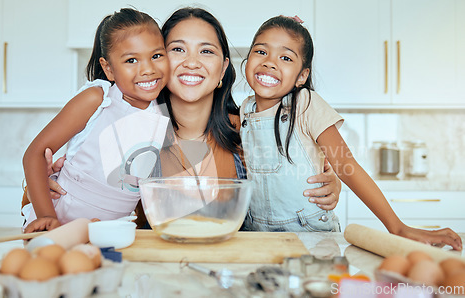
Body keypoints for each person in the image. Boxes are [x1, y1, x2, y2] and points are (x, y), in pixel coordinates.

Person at [24, 8, 343, 232]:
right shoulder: (129, 133)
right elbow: (58, 198)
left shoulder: (248, 130)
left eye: (206, 52)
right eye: (177, 49)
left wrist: (330, 183)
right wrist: (44, 188)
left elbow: (302, 173)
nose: (191, 62)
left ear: (222, 70)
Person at [239, 15, 462, 250]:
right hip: (258, 238)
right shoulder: (244, 110)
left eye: (285, 57)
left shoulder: (305, 103)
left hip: (311, 238)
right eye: (261, 52)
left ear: (302, 76)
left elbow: (346, 164)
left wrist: (397, 227)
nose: (269, 62)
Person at [22, 8, 171, 232]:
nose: (148, 69)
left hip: (109, 232)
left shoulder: (162, 115)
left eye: (156, 56)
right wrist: (46, 216)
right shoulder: (98, 99)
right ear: (108, 68)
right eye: (131, 60)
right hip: (61, 218)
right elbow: (34, 153)